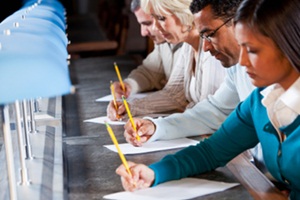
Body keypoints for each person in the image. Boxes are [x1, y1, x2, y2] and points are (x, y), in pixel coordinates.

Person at [116, 0, 300, 199]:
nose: (244, 61)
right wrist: (154, 173)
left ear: (286, 44)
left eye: (253, 50)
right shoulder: (261, 100)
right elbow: (212, 151)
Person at [107, 0, 225, 120]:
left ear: (184, 14)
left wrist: (157, 127)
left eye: (161, 19)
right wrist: (129, 107)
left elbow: (207, 113)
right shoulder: (187, 46)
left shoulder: (211, 49)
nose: (155, 27)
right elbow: (173, 95)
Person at [107, 0, 185, 120]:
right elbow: (150, 72)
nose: (143, 32)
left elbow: (176, 95)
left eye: (148, 23)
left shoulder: (195, 43)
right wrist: (128, 85)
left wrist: (131, 107)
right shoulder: (164, 42)